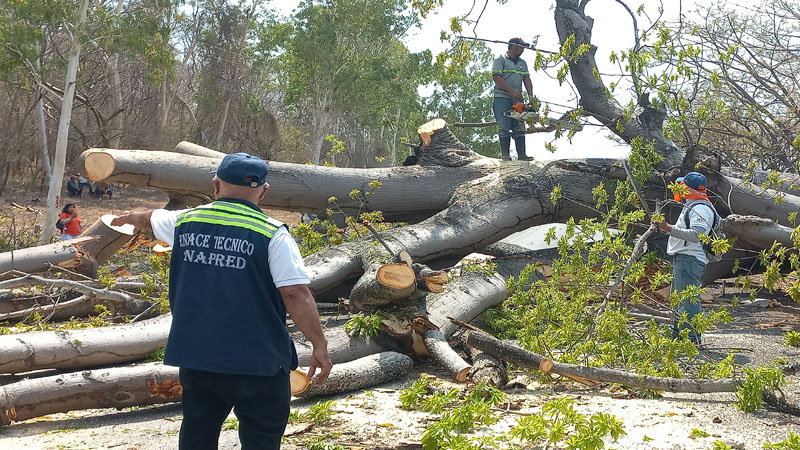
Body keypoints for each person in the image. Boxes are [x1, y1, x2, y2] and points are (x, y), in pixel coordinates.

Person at [111, 153, 332, 450]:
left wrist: (125, 218)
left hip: (199, 358)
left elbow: (149, 218)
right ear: (263, 191)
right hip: (258, 362)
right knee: (261, 440)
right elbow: (295, 294)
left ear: (216, 184)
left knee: (197, 437)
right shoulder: (271, 233)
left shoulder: (185, 221)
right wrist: (319, 344)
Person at [655, 171, 717, 345]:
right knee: (679, 298)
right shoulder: (693, 206)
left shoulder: (700, 208)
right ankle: (677, 335)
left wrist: (667, 227)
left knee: (688, 299)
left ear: (687, 188)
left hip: (690, 259)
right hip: (685, 258)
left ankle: (690, 339)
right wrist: (665, 226)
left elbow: (696, 235)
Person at [492, 37, 535, 161]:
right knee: (504, 124)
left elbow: (526, 79)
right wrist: (511, 91)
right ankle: (505, 155)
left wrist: (531, 97)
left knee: (519, 124)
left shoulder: (523, 63)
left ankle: (522, 155)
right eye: (521, 46)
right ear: (513, 46)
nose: (523, 49)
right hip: (502, 97)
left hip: (517, 99)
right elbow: (496, 77)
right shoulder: (500, 59)